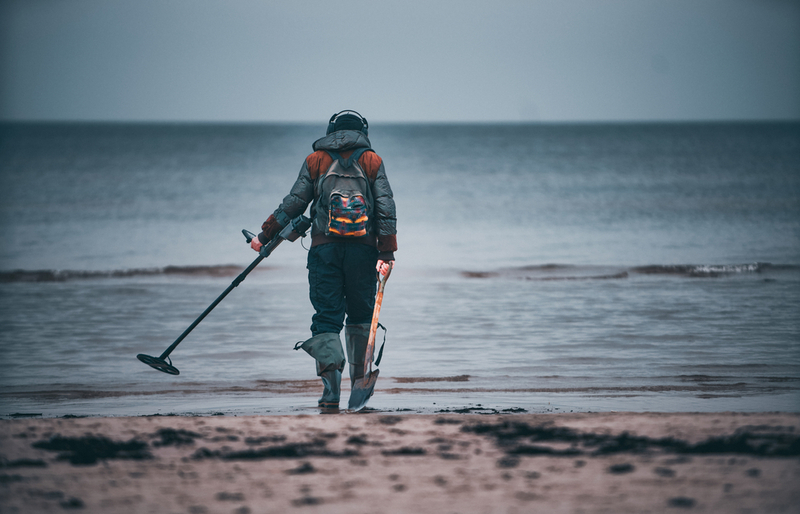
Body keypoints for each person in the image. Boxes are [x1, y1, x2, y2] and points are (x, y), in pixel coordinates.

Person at [250, 110, 397, 409]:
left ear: (330, 131)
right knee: (359, 316)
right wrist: (386, 252)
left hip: (324, 250)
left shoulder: (315, 160)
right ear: (363, 131)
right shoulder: (372, 160)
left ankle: (331, 392)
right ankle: (359, 386)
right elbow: (385, 207)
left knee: (327, 317)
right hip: (364, 251)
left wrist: (264, 235)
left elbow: (294, 203)